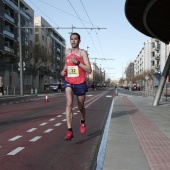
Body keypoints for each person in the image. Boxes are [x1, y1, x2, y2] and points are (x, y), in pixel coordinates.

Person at [61, 32, 92, 140]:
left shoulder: (82, 53)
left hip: (80, 83)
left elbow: (89, 69)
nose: (73, 41)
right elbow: (67, 64)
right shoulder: (67, 52)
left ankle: (82, 120)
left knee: (80, 107)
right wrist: (63, 71)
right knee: (69, 103)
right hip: (69, 81)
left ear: (79, 41)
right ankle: (70, 131)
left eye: (75, 39)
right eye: (71, 39)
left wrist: (78, 63)